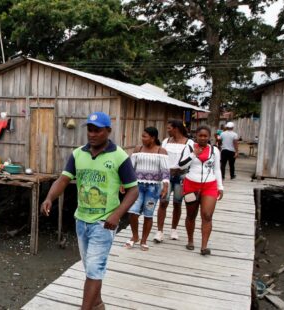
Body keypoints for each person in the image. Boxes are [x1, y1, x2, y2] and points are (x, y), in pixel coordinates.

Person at [40, 112, 138, 310]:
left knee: (94, 269)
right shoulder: (78, 154)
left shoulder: (119, 156)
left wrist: (117, 214)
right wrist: (49, 198)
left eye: (97, 130)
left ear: (108, 131)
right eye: (90, 130)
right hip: (81, 221)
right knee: (92, 269)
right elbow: (63, 180)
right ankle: (98, 304)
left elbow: (133, 190)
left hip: (104, 223)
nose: (92, 134)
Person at [178, 126, 224, 256]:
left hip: (209, 185)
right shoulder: (189, 148)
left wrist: (220, 187)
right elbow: (181, 165)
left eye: (205, 136)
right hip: (191, 185)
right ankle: (190, 240)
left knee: (207, 215)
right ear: (196, 136)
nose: (203, 138)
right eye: (200, 136)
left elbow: (217, 169)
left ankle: (204, 247)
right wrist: (194, 154)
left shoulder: (214, 150)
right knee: (191, 215)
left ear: (209, 137)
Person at [123, 127, 169, 251]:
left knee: (148, 214)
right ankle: (135, 236)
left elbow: (165, 172)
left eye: (145, 136)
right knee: (133, 212)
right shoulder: (138, 149)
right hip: (137, 187)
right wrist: (124, 182)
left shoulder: (161, 151)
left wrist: (165, 187)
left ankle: (144, 240)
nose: (142, 139)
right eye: (142, 136)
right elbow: (130, 168)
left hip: (153, 189)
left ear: (153, 138)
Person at [154, 119, 194, 243]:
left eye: (169, 128)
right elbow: (161, 157)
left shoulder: (189, 143)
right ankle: (159, 231)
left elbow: (190, 160)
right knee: (163, 202)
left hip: (181, 176)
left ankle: (174, 229)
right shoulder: (166, 141)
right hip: (166, 176)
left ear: (176, 129)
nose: (167, 130)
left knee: (177, 203)